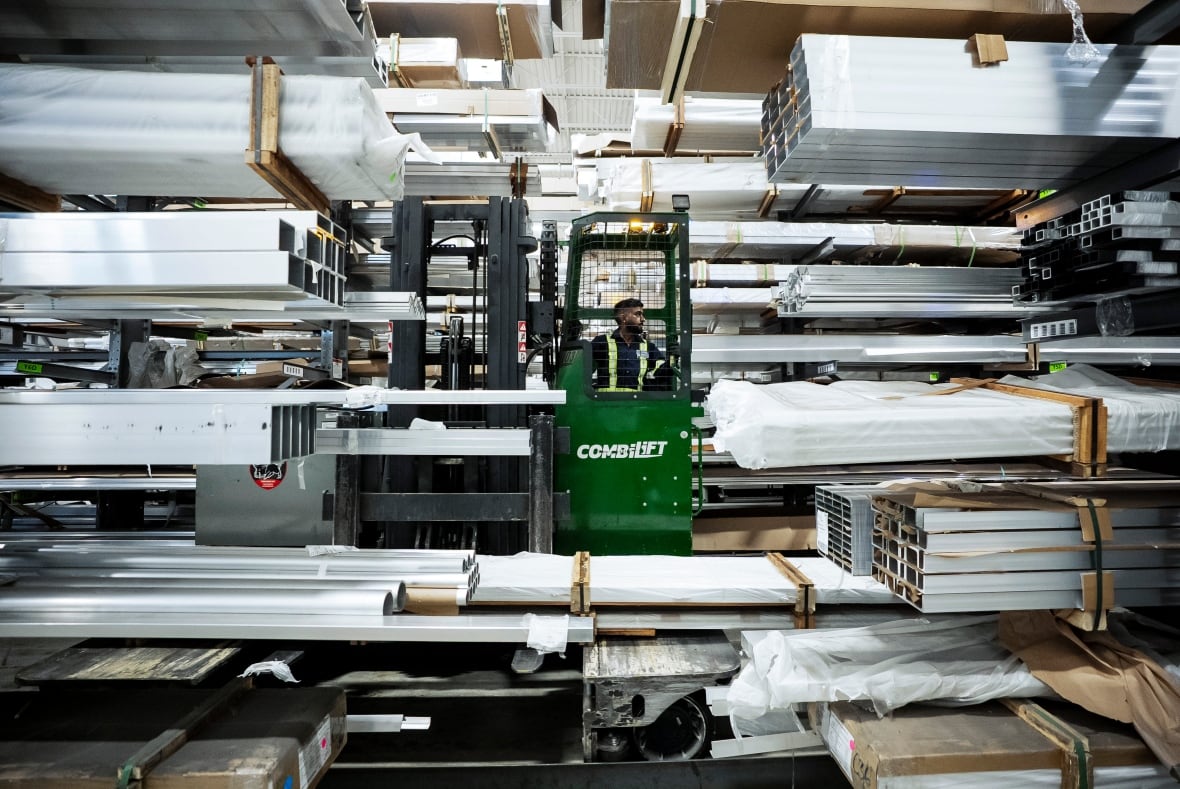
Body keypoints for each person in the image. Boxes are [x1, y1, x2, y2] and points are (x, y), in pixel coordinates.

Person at [591, 298, 672, 391]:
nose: (643, 319)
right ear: (623, 318)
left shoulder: (648, 347)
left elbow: (661, 372)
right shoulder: (601, 343)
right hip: (606, 403)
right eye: (638, 314)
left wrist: (673, 359)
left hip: (637, 403)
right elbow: (582, 370)